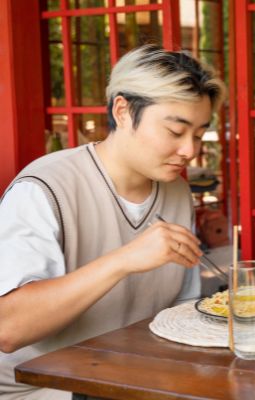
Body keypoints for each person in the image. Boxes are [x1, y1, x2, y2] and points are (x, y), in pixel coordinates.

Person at [0, 45, 226, 399]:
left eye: (198, 135)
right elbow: (8, 329)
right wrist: (123, 260)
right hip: (44, 389)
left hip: (135, 377)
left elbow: (182, 310)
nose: (189, 151)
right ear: (122, 111)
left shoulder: (177, 190)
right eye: (174, 131)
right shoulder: (44, 189)